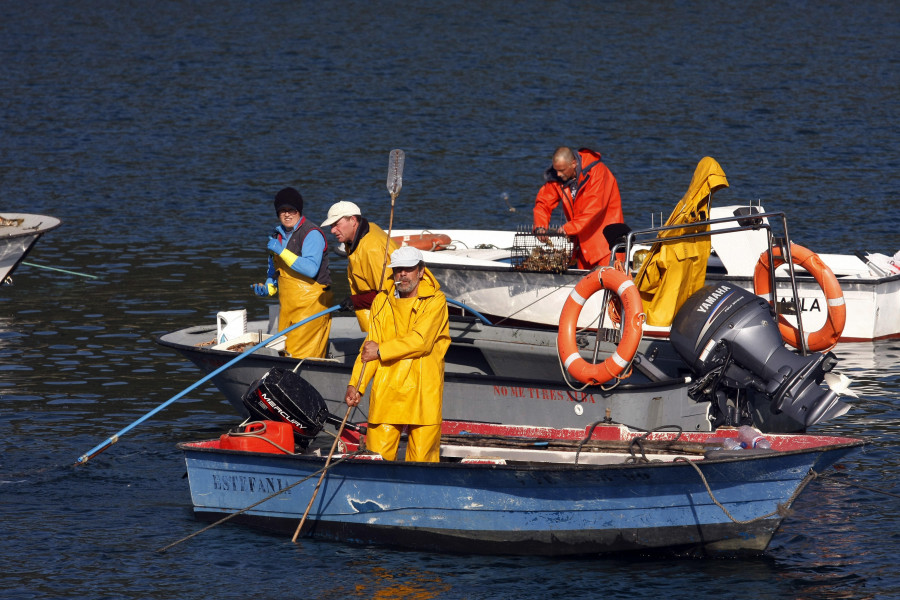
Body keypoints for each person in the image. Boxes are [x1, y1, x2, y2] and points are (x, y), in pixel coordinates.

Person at [344, 246, 450, 462]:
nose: (403, 274)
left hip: (423, 392)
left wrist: (381, 350)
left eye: (409, 269)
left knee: (422, 464)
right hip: (387, 389)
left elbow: (421, 342)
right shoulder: (382, 301)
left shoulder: (436, 301)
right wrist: (357, 384)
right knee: (375, 459)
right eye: (398, 269)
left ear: (421, 271)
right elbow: (369, 348)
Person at [251, 187, 333, 358]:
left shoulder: (311, 233)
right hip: (288, 309)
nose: (287, 214)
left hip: (312, 307)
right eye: (282, 210)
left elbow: (311, 269)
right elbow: (276, 272)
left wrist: (282, 251)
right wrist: (269, 287)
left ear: (299, 211)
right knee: (285, 353)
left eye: (291, 210)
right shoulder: (277, 236)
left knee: (303, 356)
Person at [533, 146, 624, 269]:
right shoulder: (558, 177)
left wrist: (568, 228)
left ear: (574, 164)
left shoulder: (598, 173)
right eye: (556, 170)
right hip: (582, 249)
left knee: (609, 283)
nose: (558, 174)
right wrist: (540, 227)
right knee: (582, 285)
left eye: (562, 170)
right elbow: (543, 202)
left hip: (606, 247)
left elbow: (593, 210)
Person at [321, 201, 399, 332]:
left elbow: (389, 294)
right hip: (378, 315)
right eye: (331, 225)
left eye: (336, 224)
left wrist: (355, 301)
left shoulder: (372, 249)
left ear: (353, 220)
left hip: (390, 320)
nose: (333, 230)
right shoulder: (362, 232)